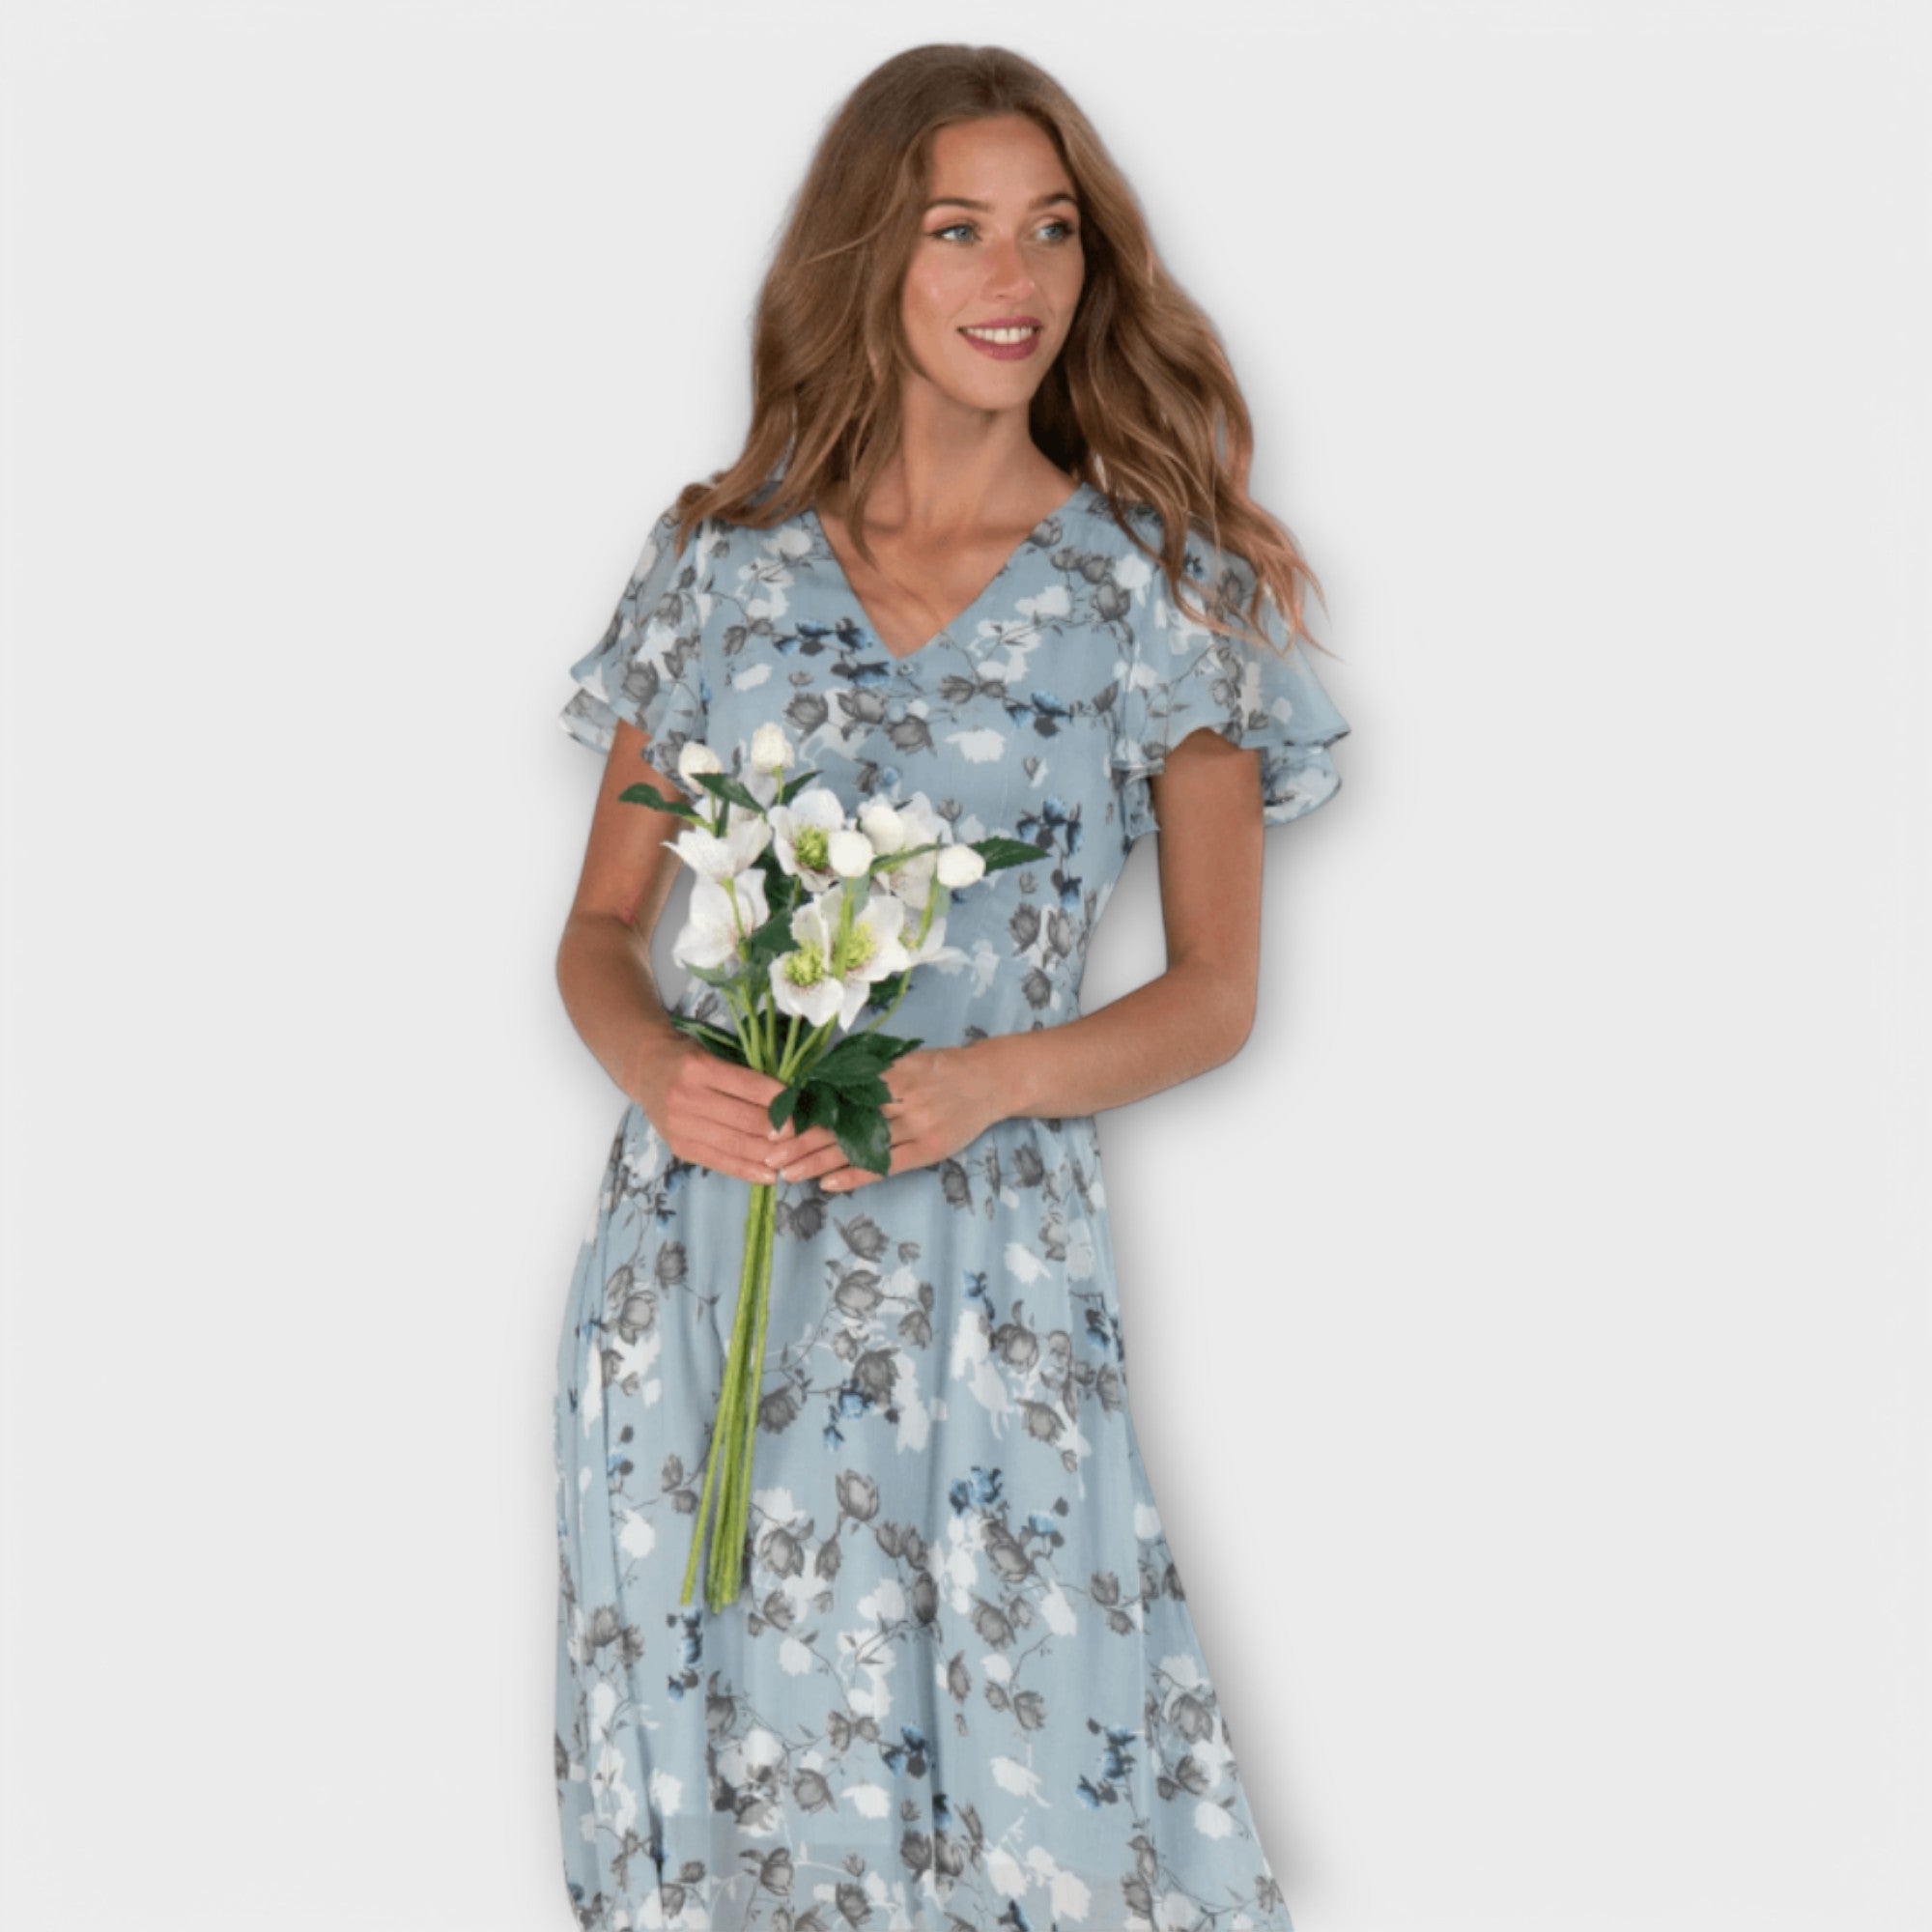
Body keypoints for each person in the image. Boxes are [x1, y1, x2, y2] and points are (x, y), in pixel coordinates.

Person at [551, 43, 1351, 1932]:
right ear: (870, 257)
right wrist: (662, 1070)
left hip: (992, 1269)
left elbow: (1215, 991)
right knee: (730, 1782)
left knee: (1040, 1779)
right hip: (714, 1256)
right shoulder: (721, 568)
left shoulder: (1165, 590)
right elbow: (596, 935)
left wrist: (987, 1081)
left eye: (1052, 230)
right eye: (959, 230)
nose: (1017, 277)